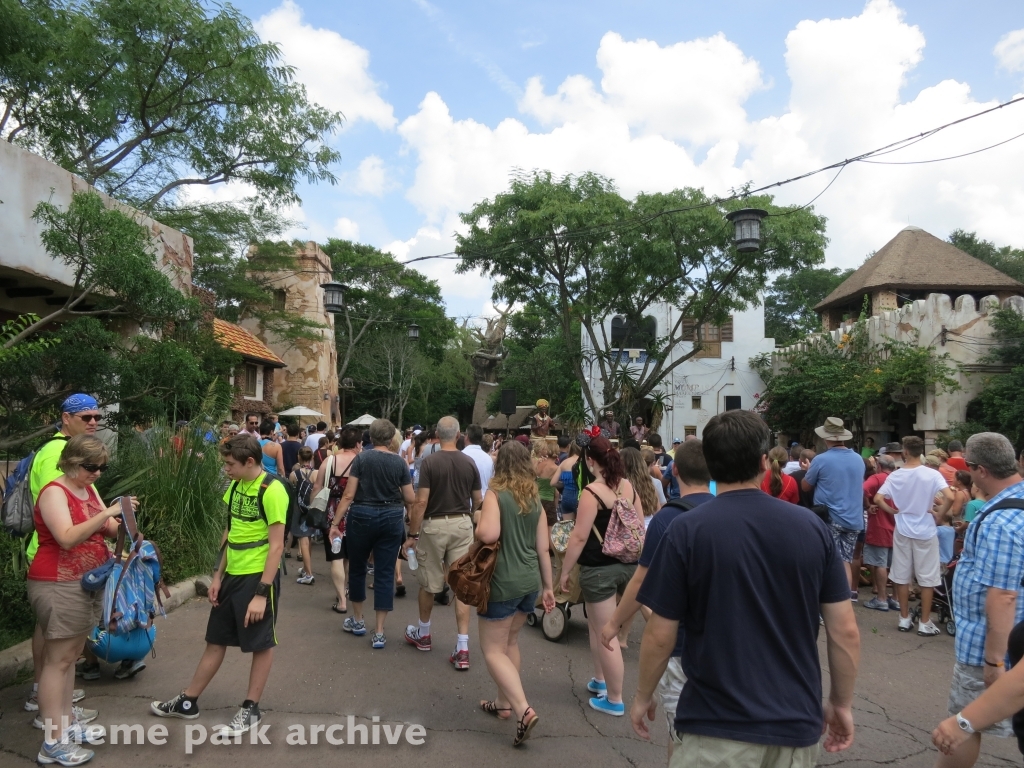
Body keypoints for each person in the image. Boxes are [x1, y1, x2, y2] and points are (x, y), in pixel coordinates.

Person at [630, 410, 861, 765]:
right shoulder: (812, 529)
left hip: (715, 726)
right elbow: (844, 630)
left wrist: (643, 694)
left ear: (711, 463)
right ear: (763, 461)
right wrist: (841, 703)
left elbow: (660, 634)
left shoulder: (687, 531)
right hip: (795, 724)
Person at [151, 435, 286, 738]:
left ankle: (251, 707)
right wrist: (216, 575)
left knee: (260, 642)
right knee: (216, 638)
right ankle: (188, 701)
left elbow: (277, 547)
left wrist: (261, 595)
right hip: (232, 576)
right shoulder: (237, 486)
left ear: (249, 462)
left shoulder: (273, 490)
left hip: (258, 577)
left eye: (229, 464)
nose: (225, 469)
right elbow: (231, 530)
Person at [600, 440, 714, 760]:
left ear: (674, 470)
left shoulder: (668, 519)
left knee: (681, 737)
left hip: (681, 648)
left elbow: (641, 581)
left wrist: (613, 624)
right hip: (722, 643)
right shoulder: (726, 512)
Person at [30, 435, 135, 765]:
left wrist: (122, 520)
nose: (98, 474)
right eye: (92, 467)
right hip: (58, 581)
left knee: (72, 657)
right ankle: (52, 740)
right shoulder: (54, 493)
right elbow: (67, 536)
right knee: (57, 661)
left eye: (102, 467)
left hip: (88, 580)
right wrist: (108, 513)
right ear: (71, 462)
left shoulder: (86, 489)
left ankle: (66, 725)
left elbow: (106, 525)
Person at [934, 432, 1024, 768]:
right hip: (1011, 637)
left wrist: (994, 662)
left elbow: (1002, 595)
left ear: (981, 470)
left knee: (963, 724)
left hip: (989, 642)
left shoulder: (1000, 521)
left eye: (970, 469)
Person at [474, 441, 556, 746]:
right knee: (510, 642)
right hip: (528, 581)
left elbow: (488, 534)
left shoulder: (496, 495)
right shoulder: (536, 497)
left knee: (493, 650)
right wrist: (548, 587)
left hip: (501, 582)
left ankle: (523, 709)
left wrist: (477, 523)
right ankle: (504, 703)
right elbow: (543, 548)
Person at [24, 394, 99, 707]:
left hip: (70, 561)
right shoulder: (58, 452)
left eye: (97, 417)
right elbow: (65, 519)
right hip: (57, 559)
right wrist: (105, 518)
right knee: (57, 647)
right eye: (85, 417)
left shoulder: (68, 449)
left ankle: (51, 703)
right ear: (65, 418)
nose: (93, 422)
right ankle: (43, 699)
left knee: (60, 645)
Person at [559, 436, 641, 717]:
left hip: (599, 569)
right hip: (629, 565)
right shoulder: (628, 486)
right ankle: (600, 680)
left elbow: (579, 537)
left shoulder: (591, 493)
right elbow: (640, 526)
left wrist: (565, 571)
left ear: (590, 460)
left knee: (606, 634)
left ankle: (615, 698)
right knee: (597, 627)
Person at [327, 420, 414, 649]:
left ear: (370, 437)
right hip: (391, 516)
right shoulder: (400, 463)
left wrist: (335, 523)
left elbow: (348, 495)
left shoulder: (362, 459)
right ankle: (380, 631)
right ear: (391, 438)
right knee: (384, 573)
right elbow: (410, 497)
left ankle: (357, 620)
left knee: (357, 568)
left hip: (362, 514)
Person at [403, 417, 482, 668]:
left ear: (437, 433)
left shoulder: (429, 461)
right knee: (461, 584)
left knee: (428, 582)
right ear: (459, 434)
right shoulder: (469, 462)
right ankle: (462, 646)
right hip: (462, 523)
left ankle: (424, 633)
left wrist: (413, 535)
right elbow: (478, 501)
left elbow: (421, 502)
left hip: (434, 524)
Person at [874, 436, 955, 635]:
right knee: (927, 577)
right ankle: (925, 622)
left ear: (905, 452)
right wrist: (939, 514)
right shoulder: (931, 474)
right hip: (926, 529)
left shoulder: (896, 475)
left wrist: (892, 511)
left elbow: (878, 498)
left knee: (901, 574)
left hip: (903, 527)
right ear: (921, 452)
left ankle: (904, 618)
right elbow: (951, 497)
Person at [802, 416, 868, 598]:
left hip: (830, 517)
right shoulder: (858, 459)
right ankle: (845, 599)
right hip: (854, 518)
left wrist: (809, 471)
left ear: (826, 437)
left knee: (830, 562)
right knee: (844, 560)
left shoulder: (821, 460)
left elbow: (806, 486)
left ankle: (831, 601)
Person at [312, 427, 360, 614]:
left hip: (332, 512)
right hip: (355, 512)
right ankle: (345, 589)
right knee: (347, 555)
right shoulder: (361, 461)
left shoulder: (329, 460)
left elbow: (317, 486)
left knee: (336, 557)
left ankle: (341, 599)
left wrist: (313, 508)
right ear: (357, 444)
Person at [861, 454, 900, 611]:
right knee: (897, 566)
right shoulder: (900, 478)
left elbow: (862, 488)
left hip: (880, 525)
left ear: (879, 465)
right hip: (900, 526)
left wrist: (868, 504)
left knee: (880, 564)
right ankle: (897, 599)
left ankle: (881, 598)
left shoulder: (877, 478)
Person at [288, 447, 316, 585]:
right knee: (309, 538)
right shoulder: (316, 473)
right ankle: (306, 568)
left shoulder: (294, 474)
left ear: (299, 457)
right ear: (311, 458)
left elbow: (291, 491)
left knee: (303, 540)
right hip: (312, 509)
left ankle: (309, 574)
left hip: (299, 510)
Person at [624, 447, 661, 527]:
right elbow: (658, 511)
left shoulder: (623, 485)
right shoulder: (648, 482)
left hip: (631, 530)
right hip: (649, 527)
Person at [462, 424, 494, 496]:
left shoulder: (461, 456)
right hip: (485, 502)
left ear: (467, 436)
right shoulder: (488, 459)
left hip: (466, 503)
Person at [533, 440, 559, 528]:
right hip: (549, 501)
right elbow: (557, 493)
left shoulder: (539, 463)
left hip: (537, 500)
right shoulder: (556, 468)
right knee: (550, 531)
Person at [554, 442, 581, 521]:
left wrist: (564, 484)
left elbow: (553, 482)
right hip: (579, 497)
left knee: (567, 527)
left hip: (566, 497)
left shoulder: (564, 462)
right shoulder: (584, 462)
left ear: (570, 448)